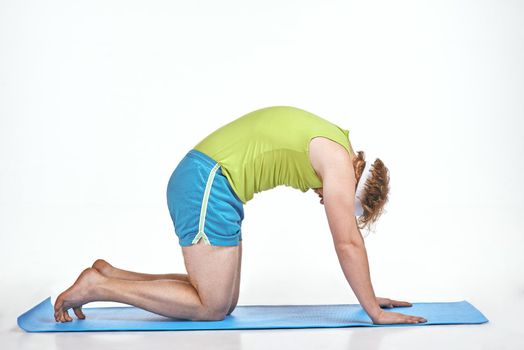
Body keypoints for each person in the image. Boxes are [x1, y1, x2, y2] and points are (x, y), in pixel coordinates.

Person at [53, 105, 427, 325]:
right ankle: (97, 288)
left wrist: (371, 297)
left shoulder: (337, 144)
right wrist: (374, 309)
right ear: (358, 183)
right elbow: (347, 241)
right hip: (207, 182)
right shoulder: (341, 169)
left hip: (214, 183)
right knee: (213, 306)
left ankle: (109, 274)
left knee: (223, 301)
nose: (327, 203)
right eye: (346, 206)